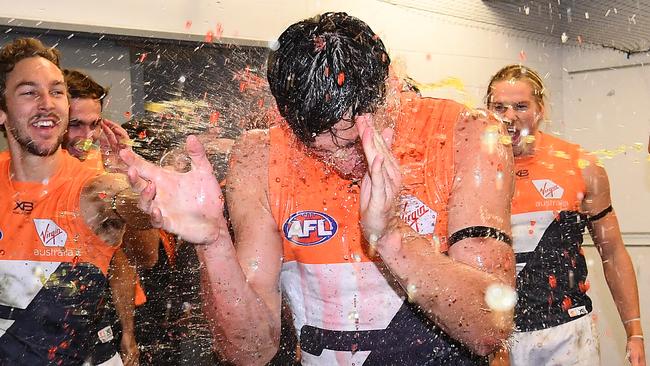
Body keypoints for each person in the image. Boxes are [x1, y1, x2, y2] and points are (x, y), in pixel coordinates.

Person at [121, 12, 516, 365]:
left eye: (352, 142)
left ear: (389, 93)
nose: (344, 163)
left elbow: (488, 328)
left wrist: (390, 236)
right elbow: (251, 351)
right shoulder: (260, 157)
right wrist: (212, 243)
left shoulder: (465, 134)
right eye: (317, 148)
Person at [0, 37, 149, 365]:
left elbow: (141, 224)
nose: (46, 103)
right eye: (29, 92)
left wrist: (140, 183)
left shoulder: (95, 186)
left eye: (56, 92)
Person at [486, 64, 646, 366]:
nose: (509, 117)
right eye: (499, 107)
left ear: (540, 109)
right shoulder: (470, 171)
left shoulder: (581, 166)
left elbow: (612, 252)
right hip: (497, 340)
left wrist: (634, 331)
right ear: (487, 110)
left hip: (568, 335)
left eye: (521, 106)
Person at [63, 68, 158, 366]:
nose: (86, 137)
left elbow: (138, 257)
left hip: (95, 323)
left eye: (93, 125)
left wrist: (123, 171)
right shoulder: (12, 176)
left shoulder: (100, 173)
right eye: (75, 125)